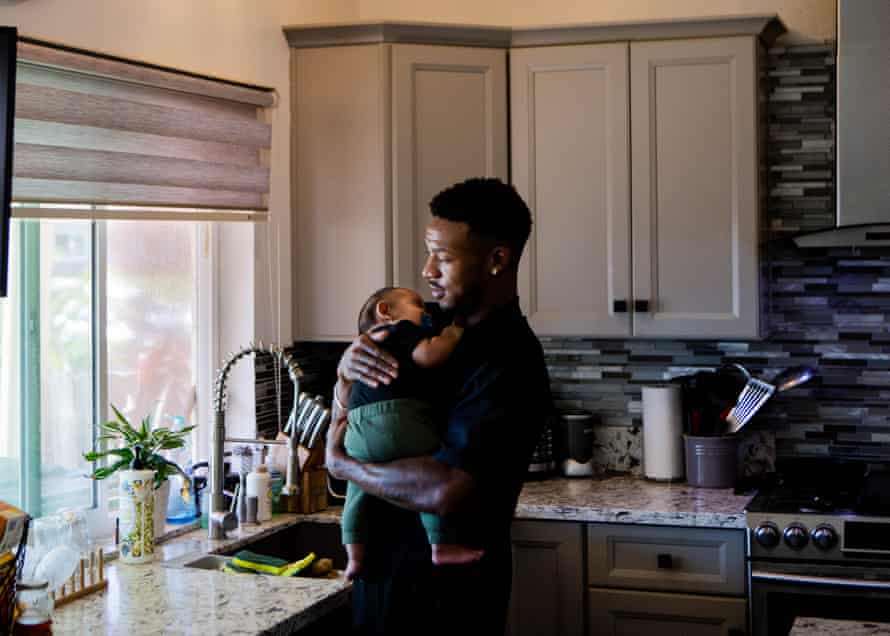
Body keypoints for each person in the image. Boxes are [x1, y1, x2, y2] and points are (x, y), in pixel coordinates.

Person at [326, 177, 553, 635]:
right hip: (381, 584)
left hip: (447, 603)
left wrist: (344, 465)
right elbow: (353, 422)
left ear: (496, 260)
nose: (428, 270)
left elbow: (445, 491)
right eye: (429, 252)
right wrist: (344, 377)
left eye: (444, 257)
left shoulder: (509, 360)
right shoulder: (424, 329)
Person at [342, 285, 483, 579]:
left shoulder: (363, 345)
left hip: (357, 429)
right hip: (397, 419)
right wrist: (454, 331)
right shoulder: (400, 329)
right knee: (431, 470)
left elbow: (344, 399)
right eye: (417, 303)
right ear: (385, 310)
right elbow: (430, 355)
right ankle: (441, 546)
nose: (426, 310)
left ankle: (354, 556)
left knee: (356, 491)